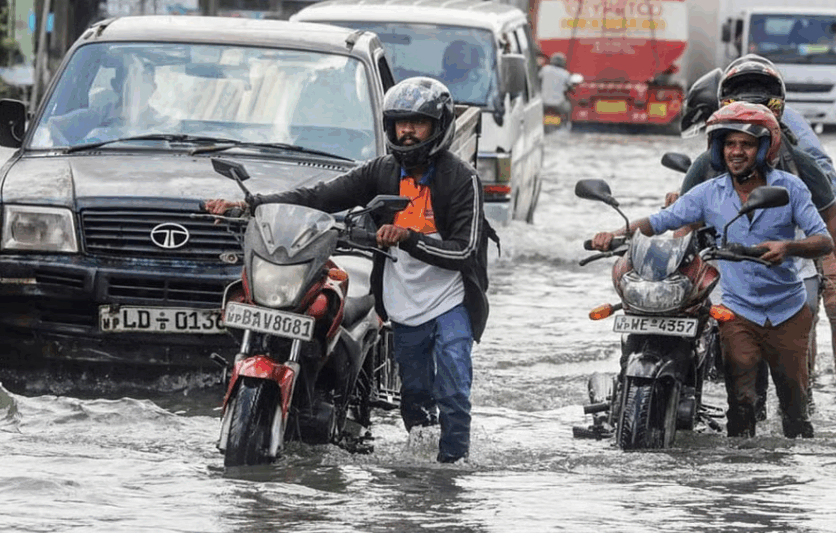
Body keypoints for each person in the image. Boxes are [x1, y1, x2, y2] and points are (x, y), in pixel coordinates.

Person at [204, 76, 494, 464]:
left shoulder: (463, 181)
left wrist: (408, 237)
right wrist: (253, 204)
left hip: (451, 301)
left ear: (438, 127)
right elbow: (320, 196)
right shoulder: (382, 171)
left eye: (417, 123)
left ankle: (452, 470)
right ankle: (423, 465)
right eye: (399, 123)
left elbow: (466, 251)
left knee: (454, 389)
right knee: (416, 394)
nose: (406, 131)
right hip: (404, 302)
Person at [592, 102, 834, 438]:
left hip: (788, 310)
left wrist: (788, 247)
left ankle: (791, 483)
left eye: (745, 145)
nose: (736, 152)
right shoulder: (709, 193)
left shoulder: (791, 189)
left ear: (764, 148)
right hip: (737, 311)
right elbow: (660, 221)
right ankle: (737, 480)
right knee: (742, 406)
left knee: (795, 411)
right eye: (730, 145)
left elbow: (824, 240)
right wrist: (616, 234)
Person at [720, 55, 836, 383]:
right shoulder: (721, 134)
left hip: (820, 219)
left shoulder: (799, 149)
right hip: (758, 226)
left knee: (834, 301)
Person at [539, 52, 577, 119]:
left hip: (543, 102)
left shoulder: (545, 69)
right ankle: (567, 124)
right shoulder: (565, 73)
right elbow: (570, 87)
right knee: (568, 107)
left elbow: (538, 79)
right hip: (558, 104)